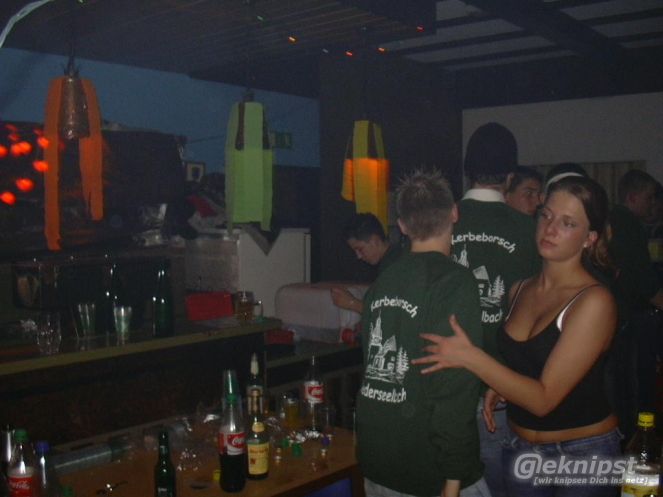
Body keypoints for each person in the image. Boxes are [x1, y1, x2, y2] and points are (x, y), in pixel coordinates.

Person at [414, 176, 620, 497]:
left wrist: (471, 356)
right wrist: (504, 384)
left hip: (582, 453)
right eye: (546, 215)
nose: (550, 228)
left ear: (589, 238)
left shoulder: (594, 301)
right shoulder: (519, 290)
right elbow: (532, 363)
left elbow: (543, 400)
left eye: (567, 223)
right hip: (520, 446)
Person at [356, 171, 489, 497]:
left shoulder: (382, 283)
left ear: (402, 226)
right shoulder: (454, 282)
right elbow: (454, 388)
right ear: (454, 212)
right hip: (429, 469)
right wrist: (454, 478)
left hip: (377, 460)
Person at [452, 122, 540, 497]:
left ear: (468, 169)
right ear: (509, 176)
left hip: (445, 387)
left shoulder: (441, 221)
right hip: (503, 386)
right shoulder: (528, 230)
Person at [608, 169, 663, 436]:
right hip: (630, 320)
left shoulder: (616, 220)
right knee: (638, 388)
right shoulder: (626, 223)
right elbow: (644, 281)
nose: (653, 203)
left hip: (620, 320)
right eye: (649, 197)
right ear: (632, 197)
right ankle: (640, 440)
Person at [331, 212, 403, 313]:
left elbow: (388, 312)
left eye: (360, 249)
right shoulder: (394, 258)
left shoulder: (392, 267)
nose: (358, 256)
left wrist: (351, 303)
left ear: (375, 241)